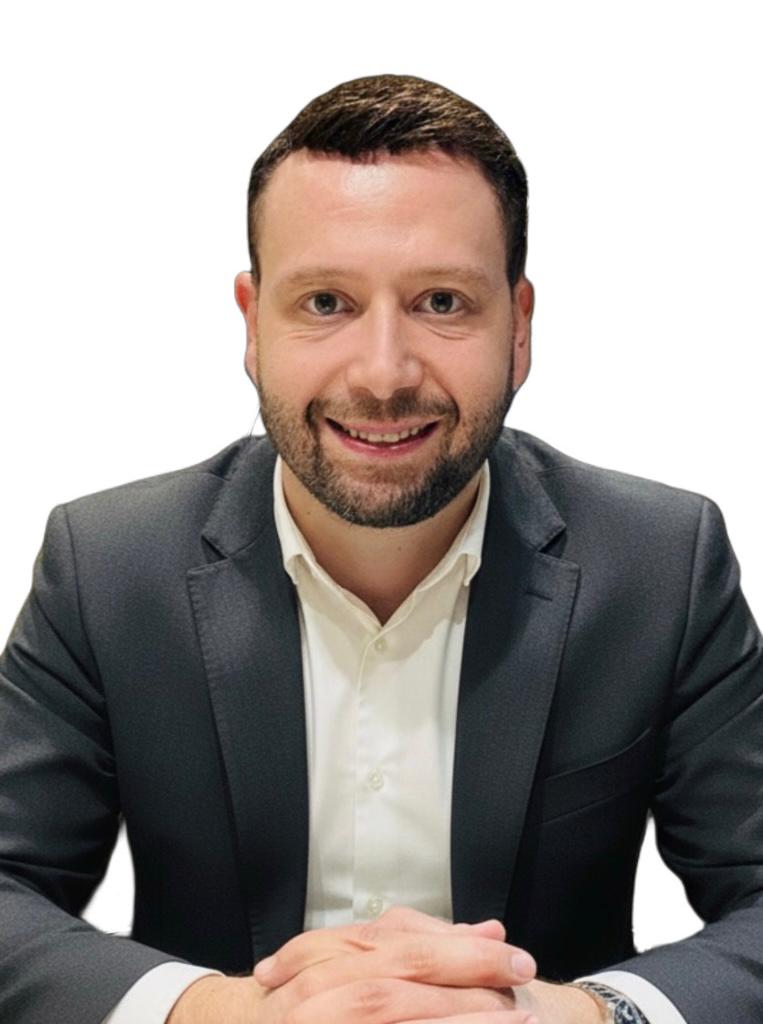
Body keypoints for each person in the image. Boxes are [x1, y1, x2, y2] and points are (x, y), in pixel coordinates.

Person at [1, 73, 761, 1024]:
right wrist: (218, 1013)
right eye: (325, 302)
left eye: (442, 300)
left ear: (519, 327)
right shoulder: (105, 567)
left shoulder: (664, 566)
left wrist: (583, 1015)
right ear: (251, 322)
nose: (383, 373)